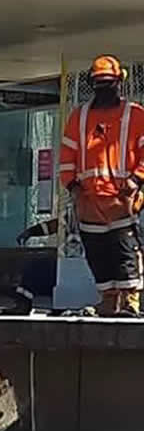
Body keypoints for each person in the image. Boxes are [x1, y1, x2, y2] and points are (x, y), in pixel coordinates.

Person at [59, 55, 144, 317]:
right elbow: (67, 156)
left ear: (119, 83)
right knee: (98, 253)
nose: (104, 88)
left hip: (123, 198)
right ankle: (108, 302)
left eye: (108, 83)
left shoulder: (136, 115)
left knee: (126, 250)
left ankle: (130, 302)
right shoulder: (79, 117)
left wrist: (135, 181)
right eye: (99, 83)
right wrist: (73, 187)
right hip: (90, 199)